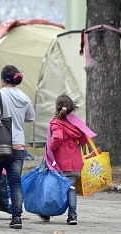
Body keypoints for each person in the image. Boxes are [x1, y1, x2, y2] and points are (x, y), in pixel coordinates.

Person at [0, 64, 35, 229]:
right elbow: (31, 117)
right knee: (15, 182)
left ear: (3, 79)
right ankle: (16, 217)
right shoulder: (24, 97)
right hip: (18, 145)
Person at [38, 93, 90, 225]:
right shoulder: (76, 123)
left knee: (54, 187)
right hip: (75, 162)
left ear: (57, 107)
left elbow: (58, 137)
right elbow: (83, 141)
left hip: (60, 162)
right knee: (71, 188)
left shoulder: (56, 122)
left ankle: (46, 212)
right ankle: (72, 215)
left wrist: (51, 148)